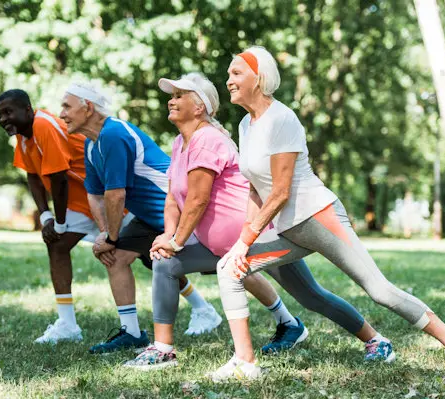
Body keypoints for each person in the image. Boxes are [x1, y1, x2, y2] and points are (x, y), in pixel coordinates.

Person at [210, 46, 445, 382]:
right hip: (288, 229)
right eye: (229, 74)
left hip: (319, 218)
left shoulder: (281, 119)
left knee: (380, 290)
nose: (229, 80)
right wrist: (242, 242)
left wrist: (247, 239)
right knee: (230, 268)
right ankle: (245, 363)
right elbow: (255, 188)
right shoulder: (246, 126)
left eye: (236, 73)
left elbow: (280, 191)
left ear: (260, 78)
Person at [123, 73, 393, 370]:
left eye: (178, 95)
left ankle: (375, 339)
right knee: (165, 263)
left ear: (199, 107)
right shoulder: (180, 143)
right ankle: (163, 349)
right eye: (171, 95)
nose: (170, 101)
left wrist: (176, 241)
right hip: (222, 247)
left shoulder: (207, 140)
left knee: (312, 296)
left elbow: (198, 200)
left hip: (257, 238)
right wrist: (168, 238)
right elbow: (174, 197)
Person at [58, 82, 223, 353]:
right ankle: (132, 332)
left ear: (87, 108)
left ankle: (283, 318)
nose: (62, 113)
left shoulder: (113, 134)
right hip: (148, 218)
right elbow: (95, 195)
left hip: (178, 213)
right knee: (117, 258)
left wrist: (111, 237)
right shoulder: (91, 144)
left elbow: (116, 195)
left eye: (66, 106)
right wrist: (105, 236)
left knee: (234, 265)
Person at [0, 89, 99, 344]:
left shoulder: (43, 125)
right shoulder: (23, 135)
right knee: (57, 246)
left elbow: (59, 178)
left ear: (28, 110)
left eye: (8, 112)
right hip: (83, 200)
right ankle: (67, 324)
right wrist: (45, 217)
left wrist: (60, 223)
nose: (3, 119)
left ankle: (202, 308)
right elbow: (33, 175)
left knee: (145, 254)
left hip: (100, 195)